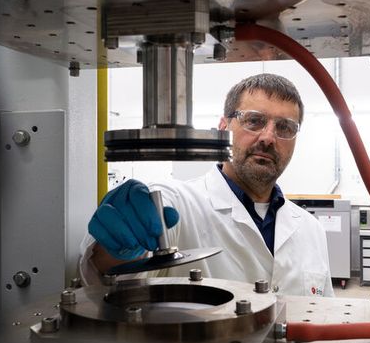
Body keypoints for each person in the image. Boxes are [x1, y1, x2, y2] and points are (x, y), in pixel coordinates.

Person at [78, 73, 333, 296]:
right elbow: (107, 273)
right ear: (223, 128)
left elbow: (323, 316)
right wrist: (118, 247)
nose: (268, 137)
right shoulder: (178, 204)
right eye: (254, 121)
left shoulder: (311, 230)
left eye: (284, 127)